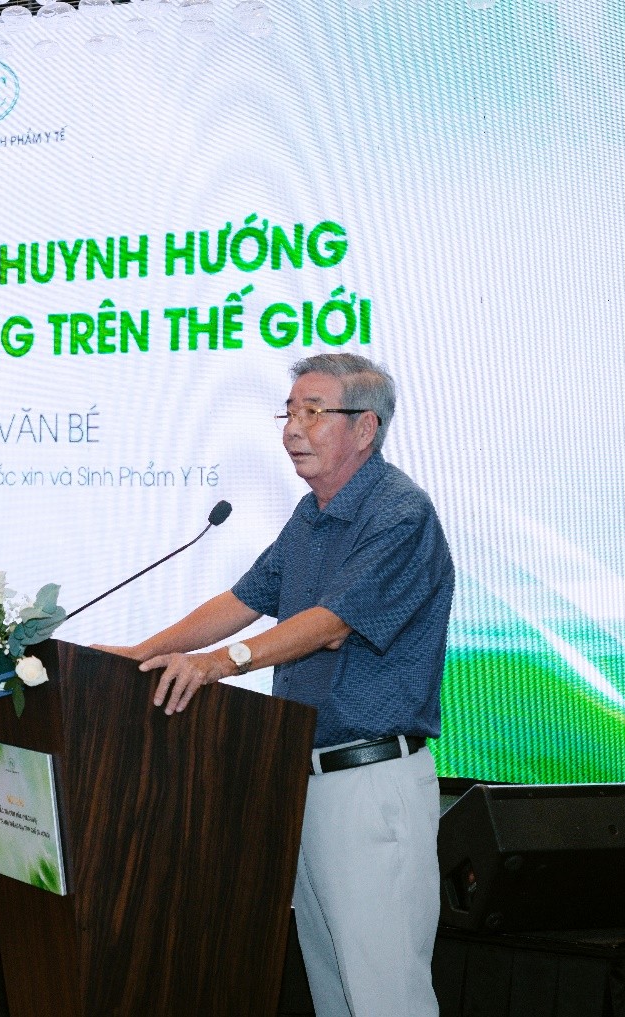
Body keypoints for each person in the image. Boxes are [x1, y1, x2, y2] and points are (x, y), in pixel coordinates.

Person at [96, 352, 454, 1017]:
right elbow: (245, 599)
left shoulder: (399, 514)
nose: (292, 428)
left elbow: (330, 624)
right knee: (333, 992)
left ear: (365, 428)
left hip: (368, 784)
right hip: (301, 780)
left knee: (385, 999)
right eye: (288, 412)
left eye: (312, 412)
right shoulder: (310, 514)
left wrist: (218, 664)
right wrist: (139, 654)